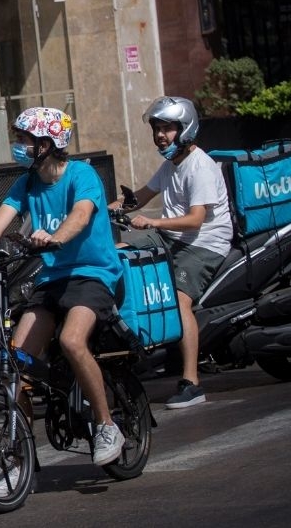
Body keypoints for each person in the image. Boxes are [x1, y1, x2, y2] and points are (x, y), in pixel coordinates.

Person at [0, 106, 127, 468]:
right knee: (13, 361)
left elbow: (81, 215)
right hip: (52, 279)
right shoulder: (27, 183)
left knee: (72, 341)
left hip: (93, 274)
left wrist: (55, 238)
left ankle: (106, 426)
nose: (18, 146)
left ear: (47, 143)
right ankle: (21, 456)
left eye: (24, 140)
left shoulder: (82, 175)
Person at [109, 96, 232, 409]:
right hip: (171, 237)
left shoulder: (200, 166)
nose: (160, 135)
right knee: (116, 255)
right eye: (157, 129)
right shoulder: (170, 165)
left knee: (179, 300)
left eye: (167, 128)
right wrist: (98, 210)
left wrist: (153, 221)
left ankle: (191, 383)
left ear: (185, 129)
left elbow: (195, 220)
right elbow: (138, 198)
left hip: (203, 242)